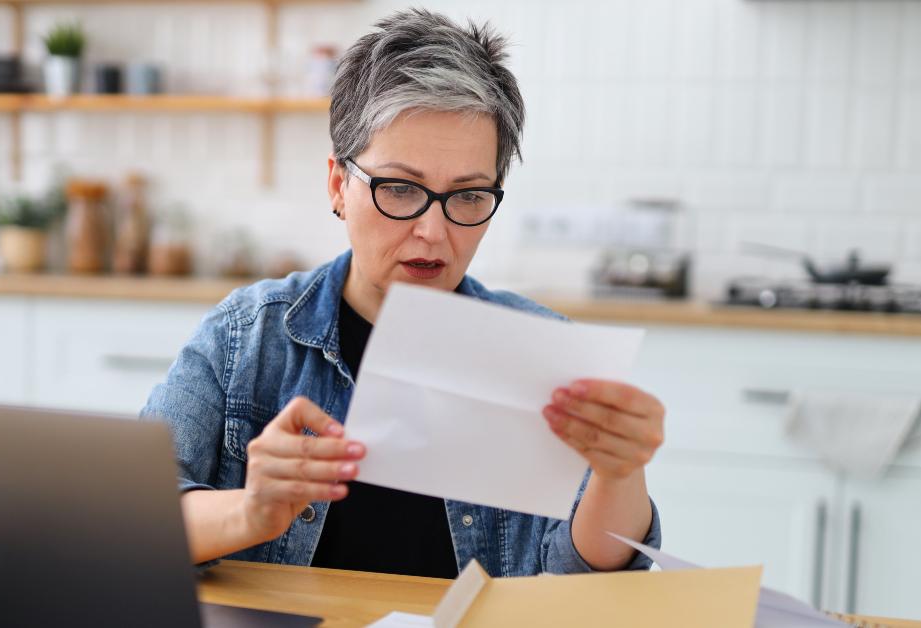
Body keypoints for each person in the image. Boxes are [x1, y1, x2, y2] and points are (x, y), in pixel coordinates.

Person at [142, 8, 664, 578]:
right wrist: (250, 511)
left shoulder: (543, 355)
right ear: (339, 185)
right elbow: (132, 518)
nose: (433, 232)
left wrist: (621, 472)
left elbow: (579, 582)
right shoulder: (248, 336)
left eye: (467, 195)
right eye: (400, 187)